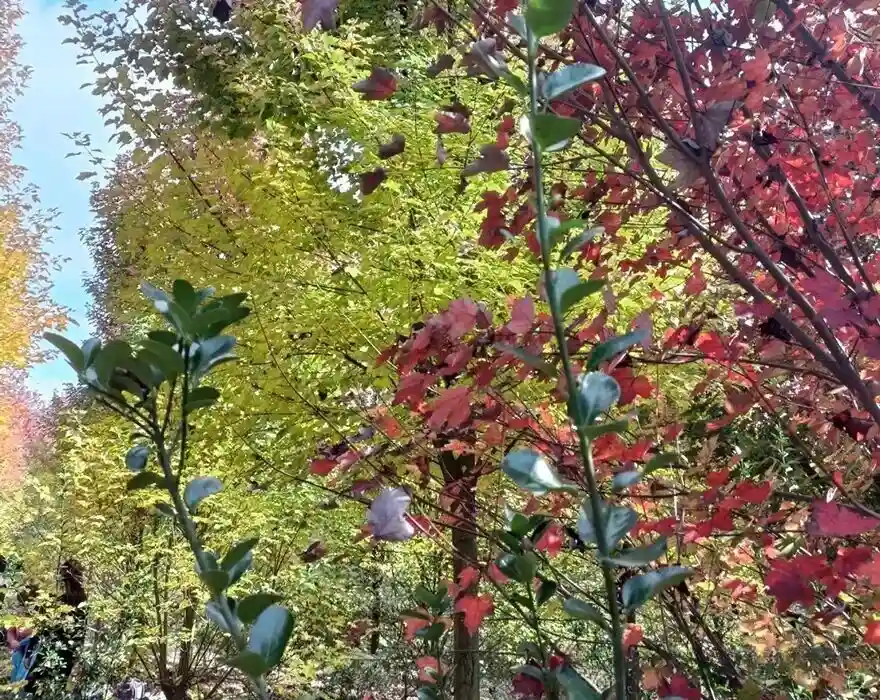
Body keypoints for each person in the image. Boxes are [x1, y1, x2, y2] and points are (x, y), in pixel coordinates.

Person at [23, 560, 88, 696]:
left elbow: (47, 628)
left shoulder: (69, 601)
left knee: (35, 686)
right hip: (66, 651)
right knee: (53, 686)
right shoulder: (82, 601)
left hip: (57, 650)